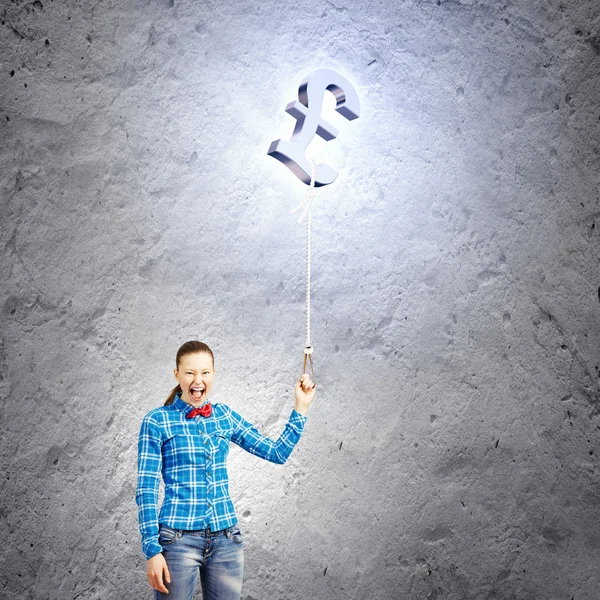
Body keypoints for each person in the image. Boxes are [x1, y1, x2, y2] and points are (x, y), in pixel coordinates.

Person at [136, 340, 316, 600]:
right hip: (176, 541)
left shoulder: (224, 416)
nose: (198, 380)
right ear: (177, 375)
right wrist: (152, 550)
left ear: (213, 375)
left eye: (205, 372)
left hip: (226, 541)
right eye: (190, 373)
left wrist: (301, 406)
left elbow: (277, 453)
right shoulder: (156, 421)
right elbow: (146, 489)